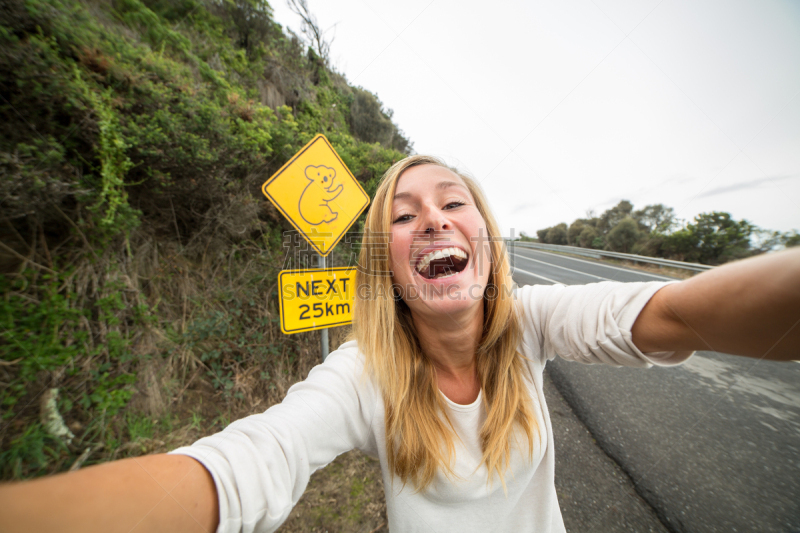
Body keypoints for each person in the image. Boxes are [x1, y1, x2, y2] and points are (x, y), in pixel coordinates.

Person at [1, 155, 798, 533]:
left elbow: (681, 313)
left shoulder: (535, 322)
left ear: (485, 237)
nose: (435, 218)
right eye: (406, 214)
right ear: (388, 258)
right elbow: (248, 464)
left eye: (454, 202)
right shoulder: (360, 376)